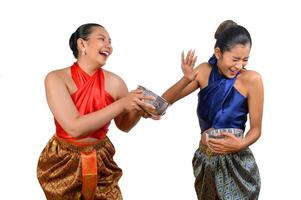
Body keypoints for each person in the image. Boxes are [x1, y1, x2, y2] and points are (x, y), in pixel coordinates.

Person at [37, 23, 156, 200]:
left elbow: (124, 125)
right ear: (82, 44)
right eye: (102, 39)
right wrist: (123, 103)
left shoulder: (115, 82)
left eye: (110, 41)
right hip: (63, 161)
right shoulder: (56, 78)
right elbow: (74, 127)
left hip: (102, 158)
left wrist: (139, 109)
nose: (109, 45)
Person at [155, 20, 263, 199]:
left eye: (245, 60)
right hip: (206, 160)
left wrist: (241, 144)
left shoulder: (252, 79)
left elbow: (256, 129)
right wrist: (185, 79)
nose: (239, 66)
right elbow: (162, 104)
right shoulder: (204, 72)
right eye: (235, 59)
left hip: (237, 162)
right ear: (218, 52)